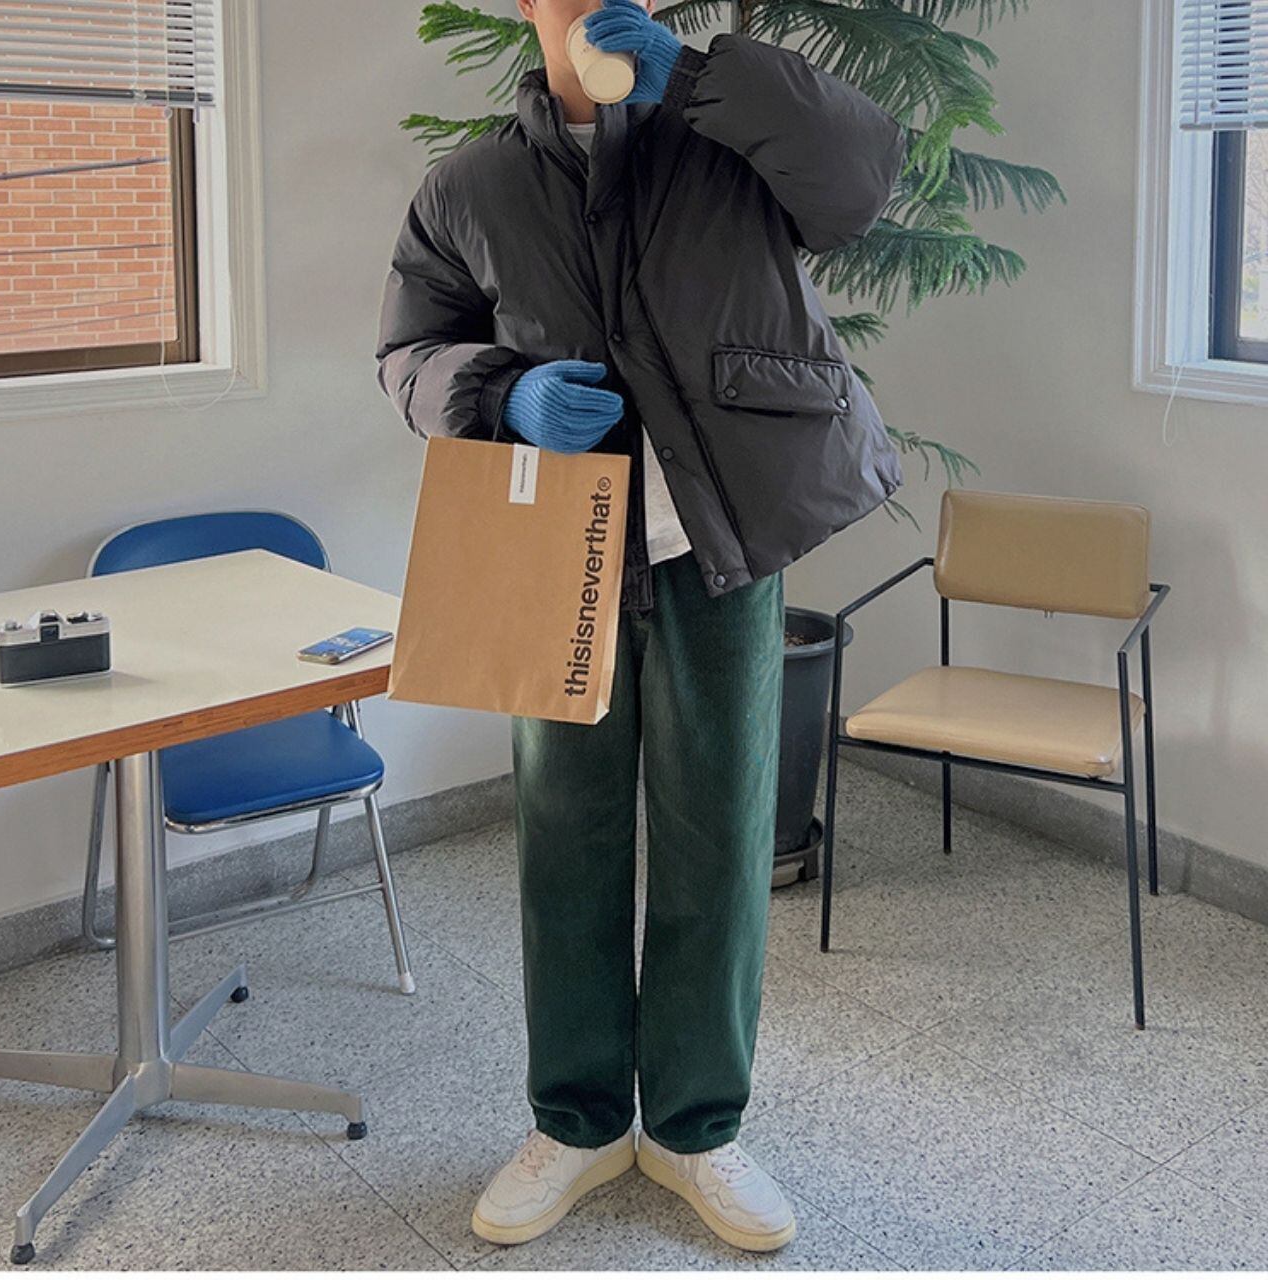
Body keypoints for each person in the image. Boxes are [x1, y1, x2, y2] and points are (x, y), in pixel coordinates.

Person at [375, 0, 905, 1253]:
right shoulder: (468, 186)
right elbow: (407, 352)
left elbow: (860, 178)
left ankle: (695, 1128)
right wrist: (500, 393)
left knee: (718, 833)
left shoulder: (731, 134)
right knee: (563, 838)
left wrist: (701, 79)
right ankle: (574, 1121)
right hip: (551, 553)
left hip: (721, 543)